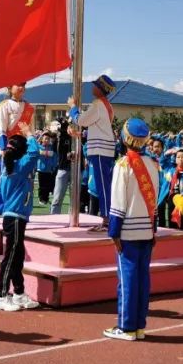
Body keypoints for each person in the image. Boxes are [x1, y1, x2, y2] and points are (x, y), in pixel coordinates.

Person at [103, 119, 159, 342]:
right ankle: (139, 325)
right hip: (146, 228)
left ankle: (126, 325)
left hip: (128, 229)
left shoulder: (123, 165)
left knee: (127, 279)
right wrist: (153, 229)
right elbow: (154, 200)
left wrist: (114, 232)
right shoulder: (152, 164)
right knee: (142, 279)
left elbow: (118, 202)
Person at [0, 124, 41, 312]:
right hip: (15, 218)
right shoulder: (19, 168)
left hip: (14, 217)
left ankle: (19, 293)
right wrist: (29, 134)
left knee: (17, 256)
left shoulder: (10, 168)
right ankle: (1, 295)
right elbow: (34, 153)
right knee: (11, 257)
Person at [68, 75, 117, 232]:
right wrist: (81, 135)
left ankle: (107, 220)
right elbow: (97, 126)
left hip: (101, 151)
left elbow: (81, 120)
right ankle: (107, 218)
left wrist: (73, 107)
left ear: (100, 89)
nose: (92, 88)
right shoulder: (106, 105)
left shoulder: (97, 104)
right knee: (104, 185)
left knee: (103, 186)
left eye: (95, 85)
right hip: (104, 149)